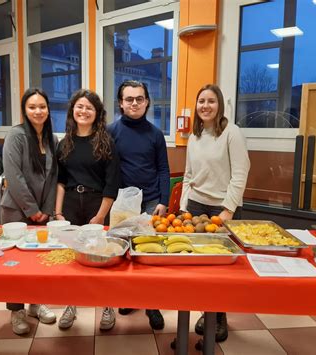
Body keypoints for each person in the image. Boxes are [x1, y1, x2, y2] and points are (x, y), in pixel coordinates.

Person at [180, 84, 250, 343]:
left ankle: (219, 319)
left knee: (219, 270)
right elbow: (188, 175)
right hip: (196, 207)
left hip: (223, 208)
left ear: (219, 104)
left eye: (210, 101)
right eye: (201, 101)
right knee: (197, 267)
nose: (205, 106)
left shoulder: (232, 133)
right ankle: (205, 312)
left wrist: (229, 209)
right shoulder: (194, 136)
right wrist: (184, 207)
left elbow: (241, 173)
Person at [54, 89, 120, 331]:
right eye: (79, 106)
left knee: (100, 257)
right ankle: (70, 305)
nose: (83, 111)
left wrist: (101, 215)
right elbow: (60, 180)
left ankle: (107, 307)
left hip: (97, 204)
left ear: (97, 114)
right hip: (71, 203)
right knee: (73, 260)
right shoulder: (64, 143)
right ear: (73, 110)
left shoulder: (106, 143)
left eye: (89, 108)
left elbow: (112, 184)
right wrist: (58, 212)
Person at [108, 80, 170, 330]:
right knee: (123, 255)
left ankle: (152, 305)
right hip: (122, 204)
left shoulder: (155, 134)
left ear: (147, 102)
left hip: (151, 202)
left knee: (148, 255)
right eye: (129, 99)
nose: (134, 103)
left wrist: (164, 201)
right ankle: (128, 298)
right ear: (121, 103)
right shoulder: (111, 131)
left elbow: (163, 169)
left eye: (139, 99)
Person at [0, 88, 59, 335]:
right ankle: (17, 311)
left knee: (38, 260)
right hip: (16, 210)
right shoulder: (16, 136)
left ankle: (36, 303)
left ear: (48, 109)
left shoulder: (52, 139)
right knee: (16, 263)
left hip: (42, 213)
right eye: (32, 107)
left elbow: (54, 176)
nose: (38, 111)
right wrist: (32, 210)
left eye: (42, 106)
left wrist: (46, 210)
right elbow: (14, 176)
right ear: (24, 110)